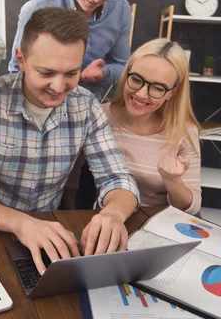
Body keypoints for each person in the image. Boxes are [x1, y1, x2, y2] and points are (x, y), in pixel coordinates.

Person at [0, 7, 140, 275]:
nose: (59, 87)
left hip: (51, 234)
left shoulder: (86, 105)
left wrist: (114, 214)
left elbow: (118, 178)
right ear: (21, 59)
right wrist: (20, 223)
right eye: (46, 73)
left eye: (71, 73)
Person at [72, 39, 201, 214]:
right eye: (136, 79)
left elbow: (191, 208)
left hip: (158, 224)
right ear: (126, 74)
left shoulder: (184, 131)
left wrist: (173, 180)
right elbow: (74, 183)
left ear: (172, 92)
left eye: (157, 88)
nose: (141, 94)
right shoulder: (97, 117)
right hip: (103, 218)